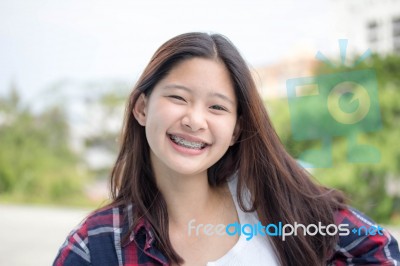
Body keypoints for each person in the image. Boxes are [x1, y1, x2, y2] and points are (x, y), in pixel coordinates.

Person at [53, 32, 400, 266]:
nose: (194, 120)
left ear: (235, 130)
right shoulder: (98, 244)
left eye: (216, 107)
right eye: (178, 98)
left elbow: (381, 250)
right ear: (142, 108)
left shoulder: (281, 209)